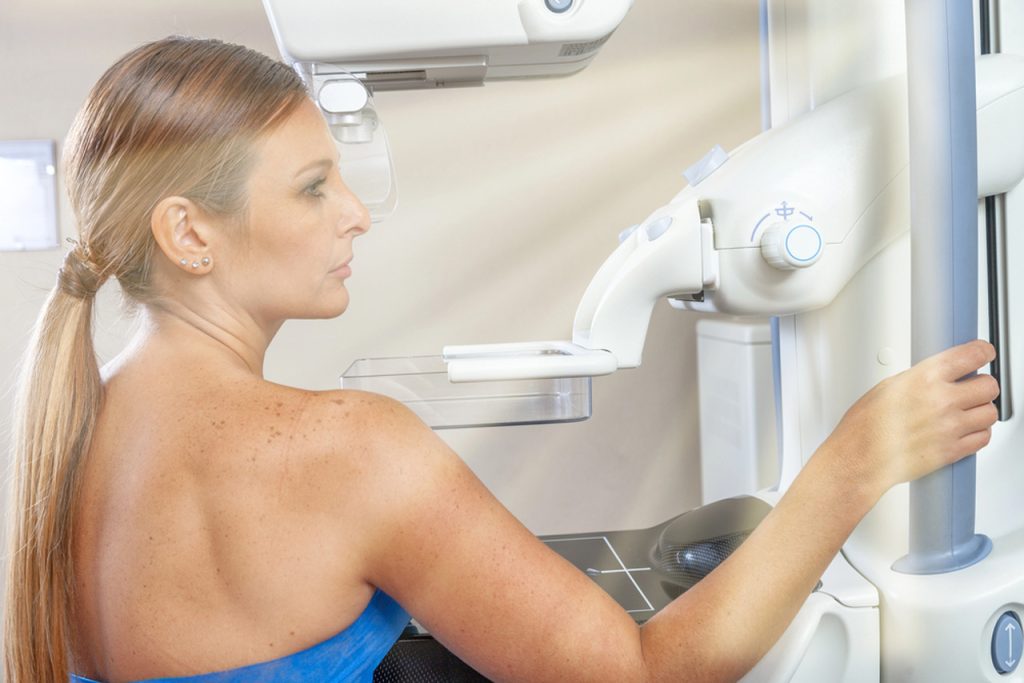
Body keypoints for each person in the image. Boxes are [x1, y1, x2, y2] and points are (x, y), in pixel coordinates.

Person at [2, 36, 1000, 683]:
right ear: (189, 232)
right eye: (312, 186)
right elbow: (646, 672)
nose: (353, 212)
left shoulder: (60, 448)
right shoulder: (346, 450)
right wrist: (857, 458)